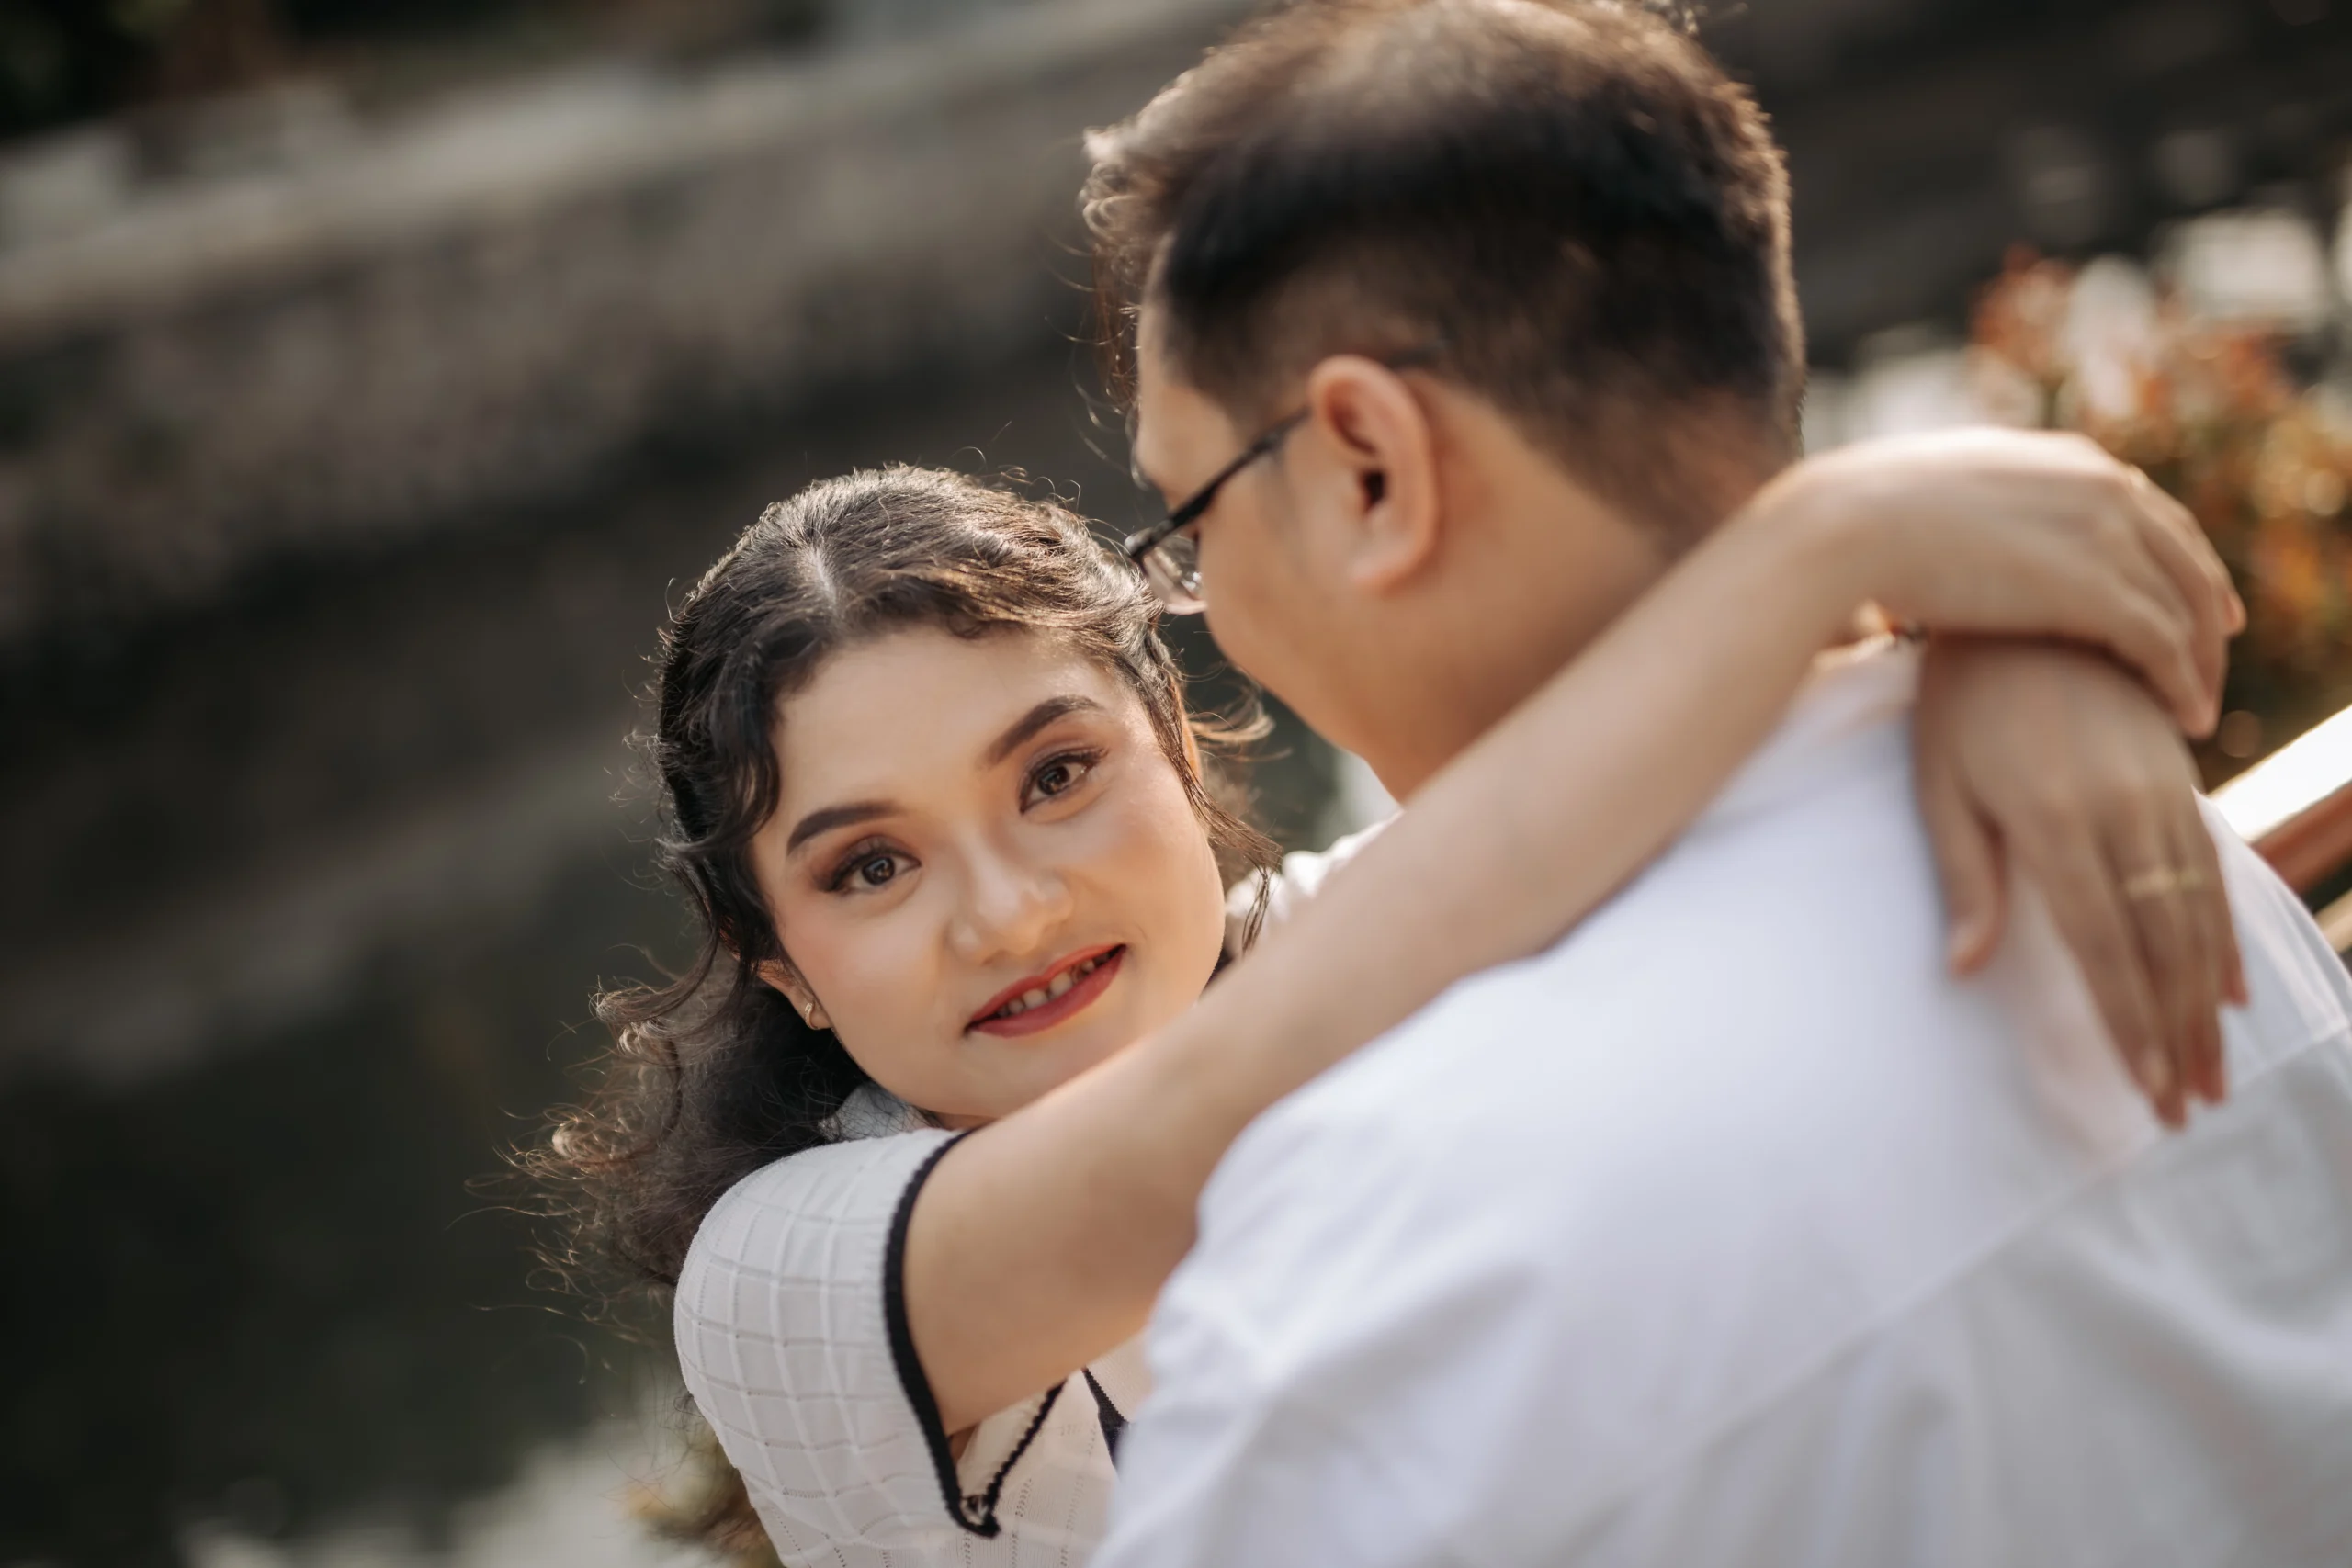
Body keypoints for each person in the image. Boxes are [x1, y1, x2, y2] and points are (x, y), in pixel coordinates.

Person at [1061, 3, 2352, 1563]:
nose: (1215, 605)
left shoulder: (1379, 1253)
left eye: (1189, 524)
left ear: (1371, 470)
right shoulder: (2157, 850)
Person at [542, 433, 2241, 1566]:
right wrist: (1830, 538)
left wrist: (2009, 669)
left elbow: (1686, 755)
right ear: (786, 971)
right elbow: (1247, 1090)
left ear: (1176, 737)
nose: (1008, 907)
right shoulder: (783, 1281)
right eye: (869, 868)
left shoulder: (1374, 937)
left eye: (1056, 773)